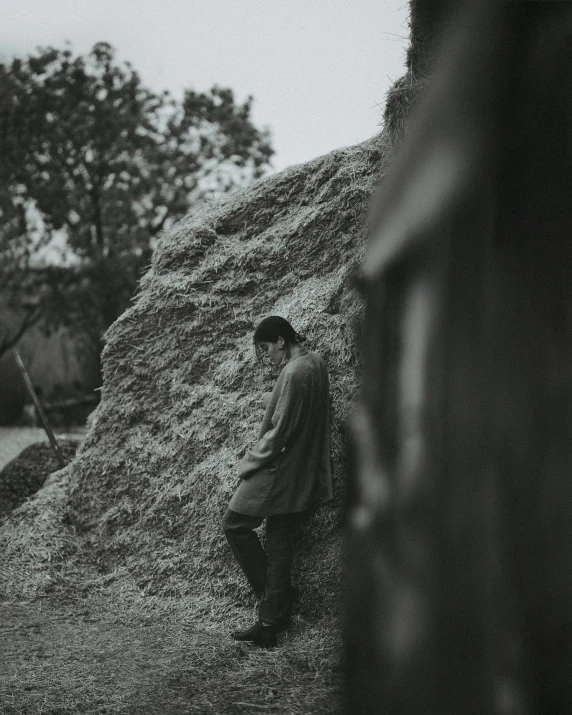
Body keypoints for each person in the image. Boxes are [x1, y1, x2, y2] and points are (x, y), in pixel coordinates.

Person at [222, 316, 334, 647]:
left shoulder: (295, 372)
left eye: (266, 348)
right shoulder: (316, 362)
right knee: (279, 540)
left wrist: (248, 465)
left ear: (282, 341)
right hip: (302, 470)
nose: (265, 355)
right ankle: (271, 623)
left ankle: (276, 602)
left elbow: (280, 432)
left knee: (233, 525)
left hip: (280, 470)